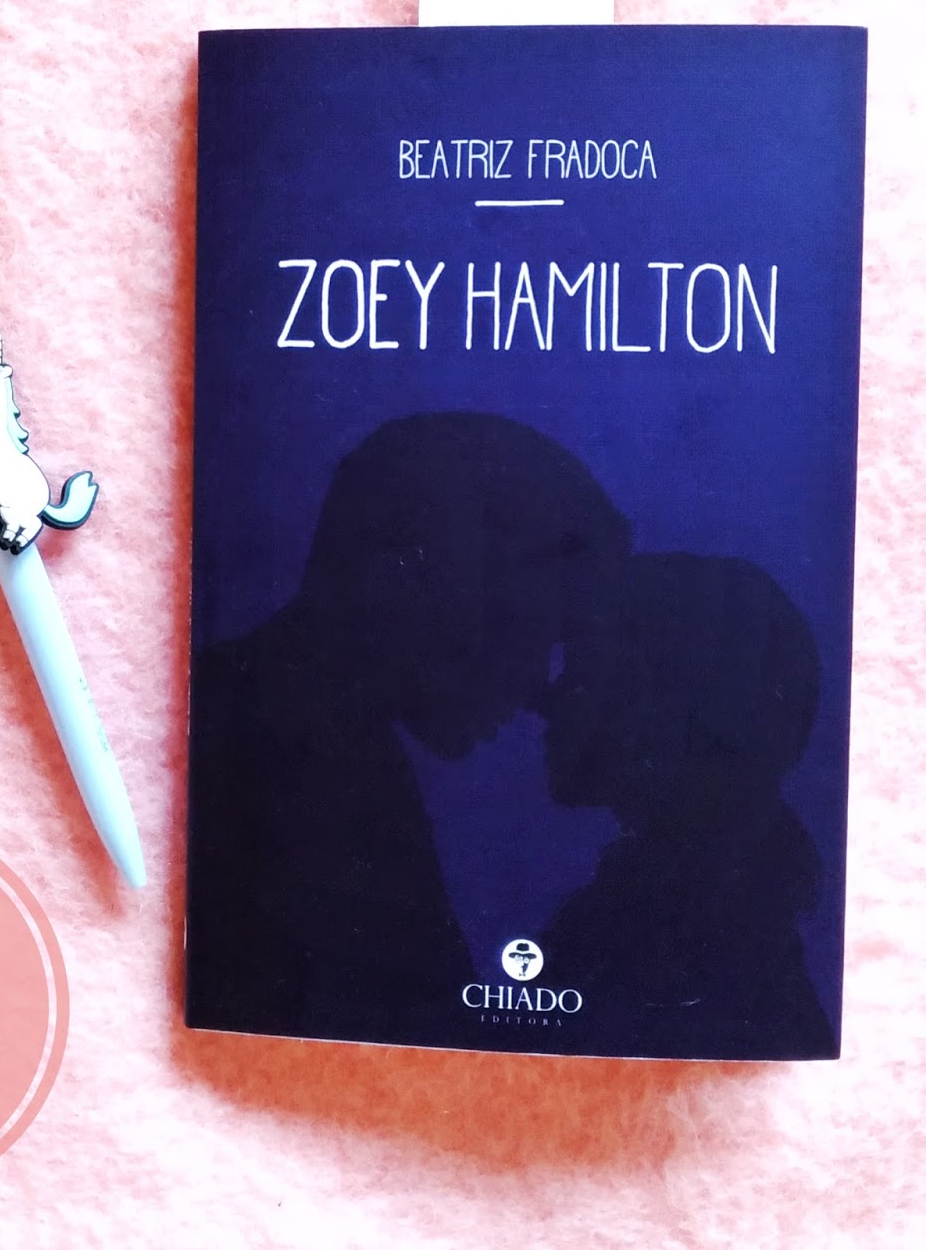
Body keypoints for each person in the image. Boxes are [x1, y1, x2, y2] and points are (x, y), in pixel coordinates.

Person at [186, 412, 629, 1045]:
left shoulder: (321, 744)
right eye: (536, 632)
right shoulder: (277, 756)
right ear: (427, 577)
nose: (541, 691)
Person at [540, 552, 835, 1059]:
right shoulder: (726, 927)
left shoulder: (677, 951)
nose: (547, 697)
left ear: (667, 704)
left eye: (584, 671)